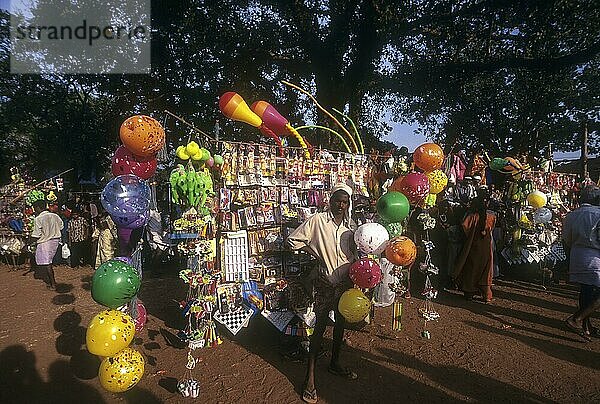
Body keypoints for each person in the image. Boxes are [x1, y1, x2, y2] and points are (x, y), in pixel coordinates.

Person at [287, 183, 357, 404]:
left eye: (345, 202)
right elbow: (293, 240)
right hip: (326, 282)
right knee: (318, 329)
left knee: (340, 324)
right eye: (338, 200)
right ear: (330, 200)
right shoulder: (318, 221)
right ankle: (310, 379)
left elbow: (355, 252)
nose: (341, 205)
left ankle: (335, 363)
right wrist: (315, 253)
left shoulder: (350, 227)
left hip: (345, 282)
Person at [563, 185, 600, 341]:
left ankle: (586, 326)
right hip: (595, 258)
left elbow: (566, 239)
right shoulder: (598, 214)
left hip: (577, 255)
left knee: (585, 291)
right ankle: (576, 319)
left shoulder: (571, 215)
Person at [453, 190, 496, 302]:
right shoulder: (491, 217)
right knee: (486, 270)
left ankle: (469, 293)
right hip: (486, 248)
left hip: (473, 246)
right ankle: (487, 295)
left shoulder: (471, 217)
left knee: (472, 268)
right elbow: (492, 228)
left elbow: (464, 227)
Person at [30, 199, 64, 289]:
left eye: (35, 208)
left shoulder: (38, 219)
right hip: (55, 240)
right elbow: (61, 226)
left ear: (38, 208)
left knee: (47, 263)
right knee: (48, 262)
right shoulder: (55, 216)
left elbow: (36, 234)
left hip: (45, 241)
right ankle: (51, 282)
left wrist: (28, 243)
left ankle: (53, 284)